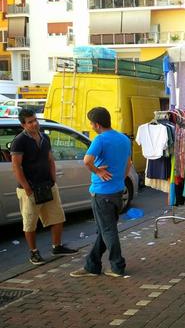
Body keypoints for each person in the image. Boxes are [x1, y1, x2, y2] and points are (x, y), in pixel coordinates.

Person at [70, 107, 131, 278]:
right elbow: (129, 163)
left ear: (97, 124)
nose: (90, 126)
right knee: (104, 230)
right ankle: (92, 265)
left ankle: (117, 265)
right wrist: (119, 178)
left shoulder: (100, 140)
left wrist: (98, 171)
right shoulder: (124, 139)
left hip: (102, 193)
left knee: (108, 231)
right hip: (117, 192)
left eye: (91, 123)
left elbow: (87, 161)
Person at [11, 109, 77, 265]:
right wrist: (26, 187)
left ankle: (57, 246)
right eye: (30, 122)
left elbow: (50, 160)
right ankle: (33, 252)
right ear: (23, 125)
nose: (34, 124)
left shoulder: (44, 137)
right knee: (30, 222)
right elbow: (16, 166)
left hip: (48, 185)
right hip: (30, 188)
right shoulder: (19, 141)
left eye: (35, 120)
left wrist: (53, 179)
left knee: (57, 217)